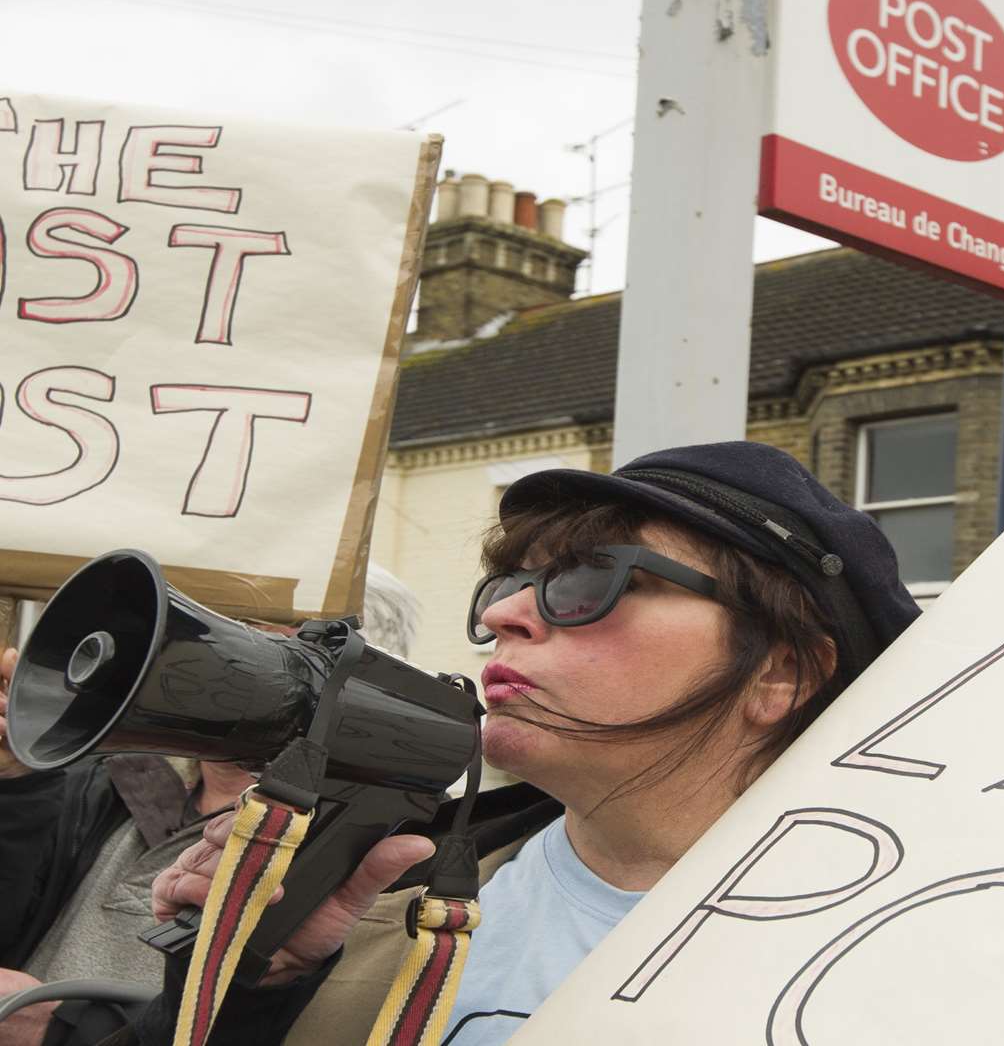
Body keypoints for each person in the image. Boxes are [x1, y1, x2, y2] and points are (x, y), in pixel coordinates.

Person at [118, 442, 919, 1045]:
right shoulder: (388, 894)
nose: (506, 617)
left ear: (780, 673)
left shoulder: (918, 955)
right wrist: (256, 986)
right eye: (510, 584)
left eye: (589, 581)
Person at [0, 566, 425, 1046]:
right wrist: (16, 783)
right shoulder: (106, 783)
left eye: (260, 632)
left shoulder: (391, 852)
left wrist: (66, 1028)